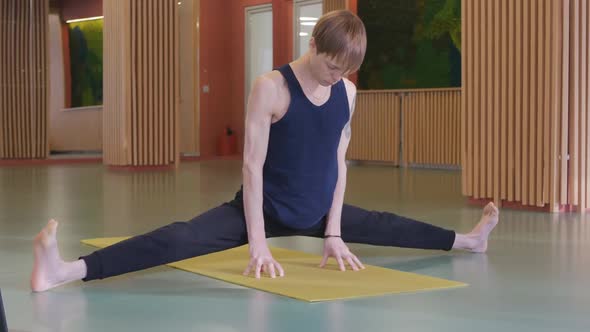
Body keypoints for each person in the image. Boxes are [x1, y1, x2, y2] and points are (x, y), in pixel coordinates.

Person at [31, 10, 499, 292]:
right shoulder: (272, 87)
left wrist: (333, 230)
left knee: (392, 227)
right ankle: (65, 271)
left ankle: (470, 241)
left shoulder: (348, 94)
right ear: (312, 44)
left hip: (318, 211)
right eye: (330, 66)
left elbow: (338, 162)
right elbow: (251, 167)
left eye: (345, 72)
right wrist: (257, 241)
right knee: (177, 239)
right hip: (264, 209)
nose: (336, 77)